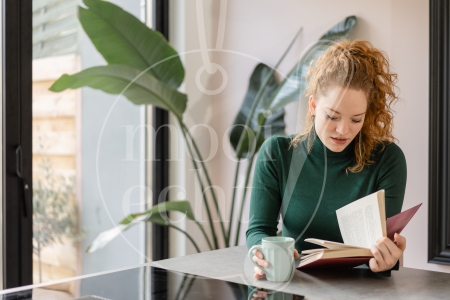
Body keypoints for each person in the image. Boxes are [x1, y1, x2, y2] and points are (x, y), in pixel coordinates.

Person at [246, 39, 407, 279]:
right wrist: (261, 255)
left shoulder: (387, 159)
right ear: (313, 105)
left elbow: (384, 246)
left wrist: (388, 258)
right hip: (296, 286)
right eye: (332, 116)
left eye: (356, 119)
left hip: (363, 290)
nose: (343, 130)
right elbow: (260, 229)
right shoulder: (277, 154)